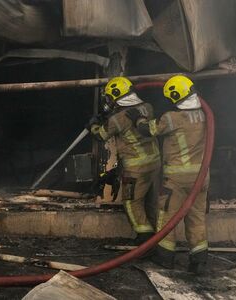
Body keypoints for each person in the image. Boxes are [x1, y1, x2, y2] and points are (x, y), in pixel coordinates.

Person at [126, 75, 210, 274]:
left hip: (176, 179)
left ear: (175, 96)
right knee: (196, 218)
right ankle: (199, 261)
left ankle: (165, 258)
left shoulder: (171, 118)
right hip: (201, 178)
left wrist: (138, 118)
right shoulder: (205, 115)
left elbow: (148, 130)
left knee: (166, 217)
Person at [89, 76, 162, 244]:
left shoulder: (117, 119)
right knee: (150, 201)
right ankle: (157, 236)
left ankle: (144, 238)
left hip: (135, 168)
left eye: (110, 97)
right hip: (155, 164)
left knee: (130, 202)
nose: (108, 101)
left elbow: (100, 135)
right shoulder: (147, 107)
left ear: (116, 95)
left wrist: (93, 124)